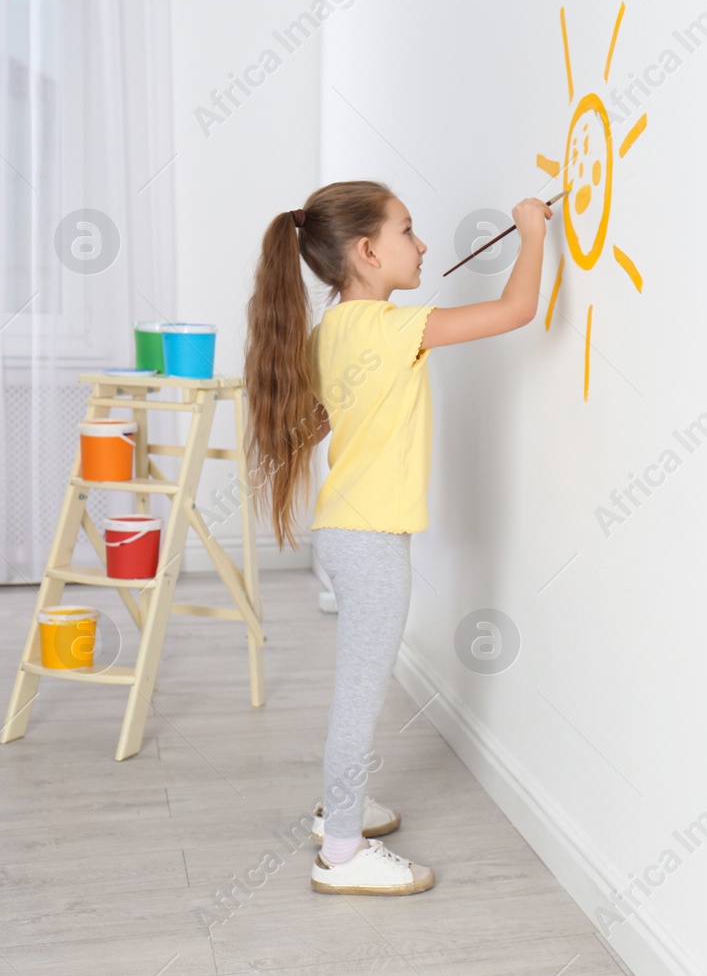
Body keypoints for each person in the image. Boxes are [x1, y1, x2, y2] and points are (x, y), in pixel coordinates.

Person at [244, 180, 551, 895]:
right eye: (407, 231)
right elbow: (515, 310)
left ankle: (340, 811)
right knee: (360, 692)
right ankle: (343, 853)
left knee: (359, 685)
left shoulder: (330, 333)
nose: (420, 245)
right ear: (367, 250)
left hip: (346, 529)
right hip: (370, 538)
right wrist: (532, 233)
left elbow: (322, 420)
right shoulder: (389, 328)